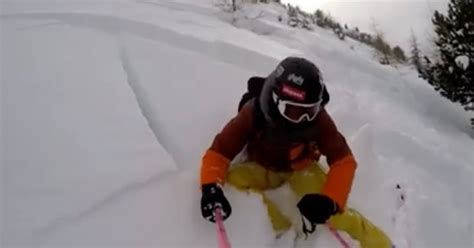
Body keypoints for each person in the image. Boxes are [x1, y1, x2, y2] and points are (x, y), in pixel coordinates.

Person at [199, 57, 393, 248]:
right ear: (276, 101)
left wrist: (330, 200)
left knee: (338, 215)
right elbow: (219, 151)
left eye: (311, 110)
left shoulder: (319, 120)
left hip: (302, 169)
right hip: (263, 168)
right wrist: (210, 188)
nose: (304, 119)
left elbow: (344, 160)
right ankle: (278, 228)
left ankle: (381, 245)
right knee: (232, 182)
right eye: (293, 111)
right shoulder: (253, 114)